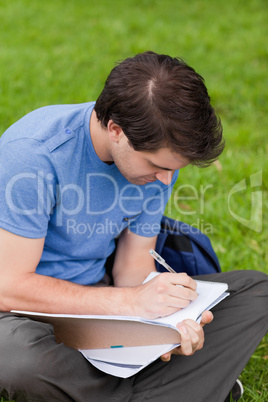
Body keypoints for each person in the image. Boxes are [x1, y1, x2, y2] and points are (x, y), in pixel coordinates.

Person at [0, 51, 267, 402]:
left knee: (254, 291)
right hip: (24, 315)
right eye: (157, 165)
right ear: (116, 130)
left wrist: (167, 325)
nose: (166, 179)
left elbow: (132, 265)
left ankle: (130, 387)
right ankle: (180, 387)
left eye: (174, 169)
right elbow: (10, 288)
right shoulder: (35, 155)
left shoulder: (159, 159)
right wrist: (129, 303)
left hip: (102, 302)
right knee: (19, 359)